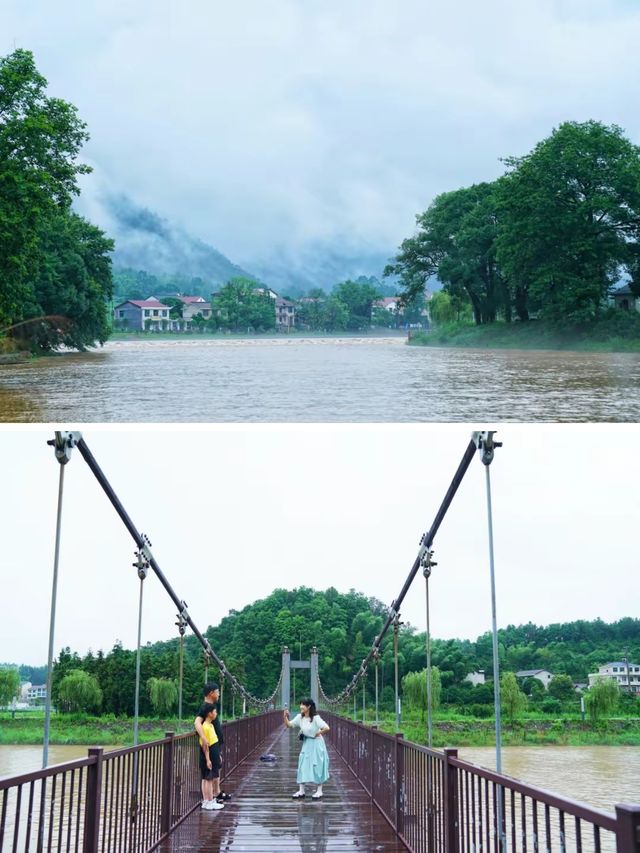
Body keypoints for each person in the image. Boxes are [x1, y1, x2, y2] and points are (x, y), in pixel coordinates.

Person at [283, 698, 330, 799]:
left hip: (317, 744)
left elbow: (326, 728)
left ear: (308, 706)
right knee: (302, 765)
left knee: (317, 765)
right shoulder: (300, 717)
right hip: (307, 743)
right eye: (300, 704)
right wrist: (285, 717)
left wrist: (318, 733)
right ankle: (301, 791)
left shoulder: (316, 718)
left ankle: (319, 791)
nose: (300, 706)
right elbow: (289, 725)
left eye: (303, 704)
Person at [194, 682, 232, 804]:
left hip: (215, 745)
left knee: (216, 769)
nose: (219, 694)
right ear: (211, 693)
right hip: (210, 745)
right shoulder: (205, 707)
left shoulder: (210, 706)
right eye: (217, 691)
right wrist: (204, 738)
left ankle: (217, 793)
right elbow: (196, 722)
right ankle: (211, 799)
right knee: (210, 773)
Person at [196, 702, 223, 810]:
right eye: (215, 711)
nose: (216, 713)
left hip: (213, 755)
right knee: (209, 779)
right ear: (209, 714)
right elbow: (205, 745)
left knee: (206, 778)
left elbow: (214, 742)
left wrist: (218, 755)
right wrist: (208, 759)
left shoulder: (210, 725)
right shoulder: (205, 727)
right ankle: (210, 801)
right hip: (209, 756)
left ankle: (206, 801)